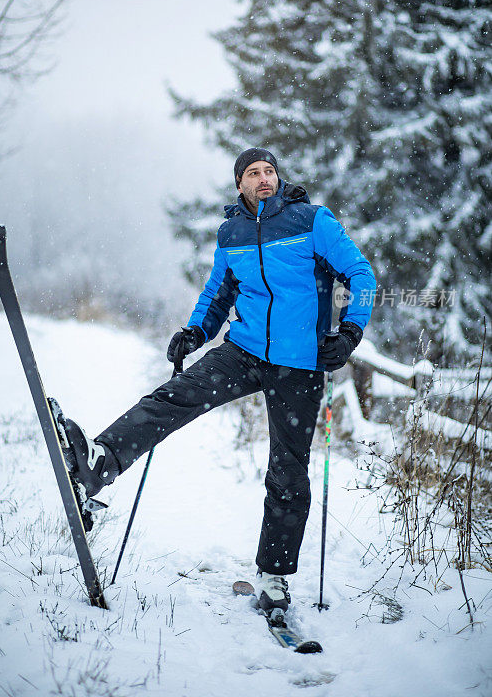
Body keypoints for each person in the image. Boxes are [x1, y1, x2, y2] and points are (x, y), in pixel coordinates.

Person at [58, 147, 376, 613]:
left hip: (302, 363)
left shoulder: (312, 221)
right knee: (174, 397)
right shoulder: (232, 232)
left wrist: (350, 330)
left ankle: (273, 578)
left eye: (270, 171)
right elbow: (219, 292)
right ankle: (99, 464)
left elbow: (360, 273)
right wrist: (195, 331)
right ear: (240, 184)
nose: (265, 178)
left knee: (287, 471)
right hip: (243, 351)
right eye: (254, 172)